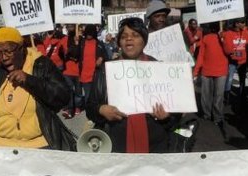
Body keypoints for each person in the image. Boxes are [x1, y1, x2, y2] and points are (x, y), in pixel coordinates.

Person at [0, 27, 74, 150]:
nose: (4, 58)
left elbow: (62, 97)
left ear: (21, 49)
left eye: (8, 52)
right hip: (3, 149)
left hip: (40, 147)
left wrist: (29, 80)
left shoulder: (42, 65)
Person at [86, 17, 177, 153]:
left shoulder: (159, 68)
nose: (129, 39)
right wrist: (101, 110)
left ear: (144, 41)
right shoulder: (106, 71)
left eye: (135, 35)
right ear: (119, 42)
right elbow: (90, 107)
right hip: (116, 147)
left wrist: (167, 116)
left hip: (155, 146)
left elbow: (176, 114)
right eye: (124, 36)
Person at [194, 22, 229, 129]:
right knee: (206, 95)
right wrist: (196, 71)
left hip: (221, 71)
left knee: (218, 96)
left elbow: (229, 51)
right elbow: (201, 55)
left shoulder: (225, 36)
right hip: (207, 71)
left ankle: (217, 117)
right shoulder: (206, 38)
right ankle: (207, 115)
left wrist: (223, 39)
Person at [78, 25, 107, 113]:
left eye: (91, 33)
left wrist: (101, 58)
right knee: (87, 96)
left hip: (96, 75)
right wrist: (75, 44)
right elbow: (74, 54)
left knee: (97, 96)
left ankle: (97, 112)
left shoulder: (99, 43)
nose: (89, 35)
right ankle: (90, 113)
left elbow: (106, 56)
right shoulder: (81, 43)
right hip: (85, 75)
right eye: (87, 33)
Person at [222, 18, 248, 107]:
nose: (244, 24)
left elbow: (247, 44)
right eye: (242, 22)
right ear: (236, 24)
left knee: (242, 80)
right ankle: (227, 98)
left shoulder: (245, 32)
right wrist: (238, 53)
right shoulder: (228, 34)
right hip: (233, 62)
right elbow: (228, 50)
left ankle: (242, 96)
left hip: (243, 61)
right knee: (229, 79)